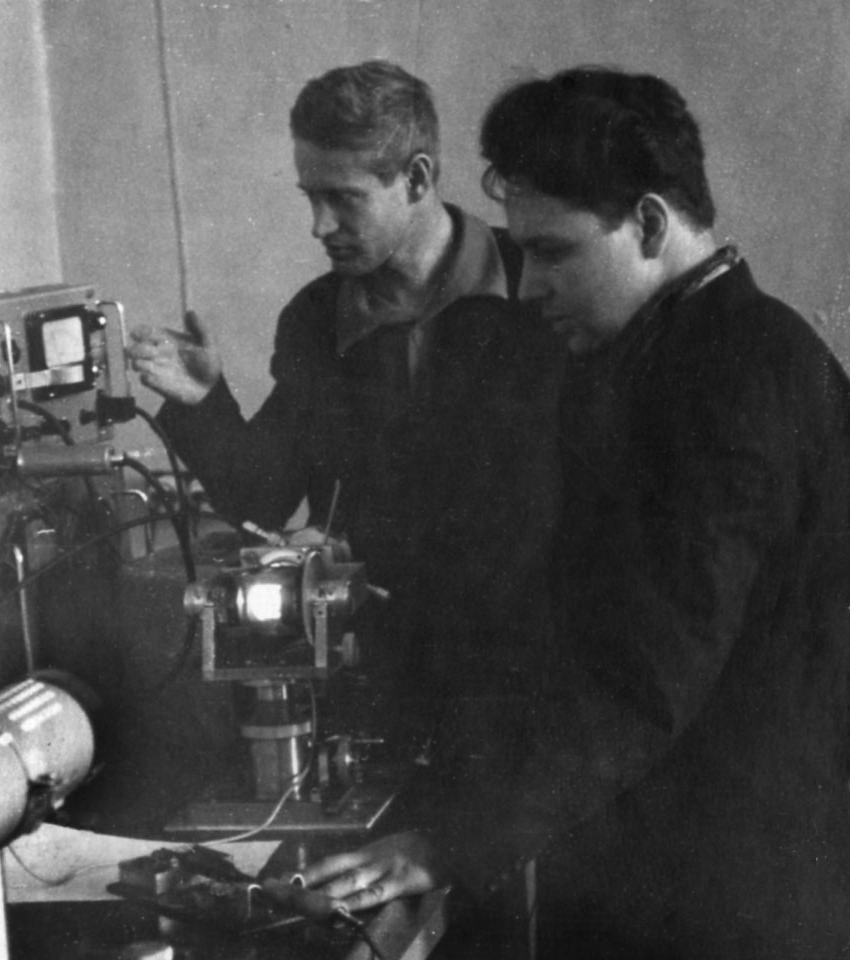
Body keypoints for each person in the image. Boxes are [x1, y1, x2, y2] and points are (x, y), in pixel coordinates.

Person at [298, 66, 850, 959]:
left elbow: (646, 674)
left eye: (553, 253)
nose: (529, 286)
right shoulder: (676, 354)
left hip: (733, 896)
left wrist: (450, 840)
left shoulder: (736, 377)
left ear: (650, 225)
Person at [126, 61, 565, 725]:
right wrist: (205, 403)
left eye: (343, 199)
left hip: (530, 674)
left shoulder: (541, 288)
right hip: (381, 678)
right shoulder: (314, 318)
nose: (319, 225)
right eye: (311, 197)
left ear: (416, 178)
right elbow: (262, 496)